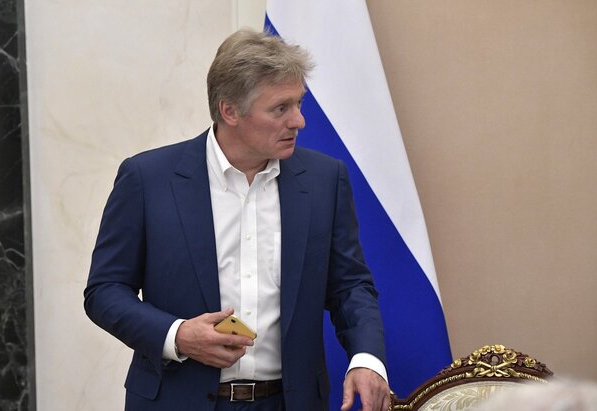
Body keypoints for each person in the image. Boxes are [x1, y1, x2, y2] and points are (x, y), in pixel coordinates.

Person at [84, 28, 390, 411]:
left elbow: (349, 286)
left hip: (288, 402)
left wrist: (366, 358)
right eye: (280, 108)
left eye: (299, 103)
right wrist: (177, 335)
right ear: (230, 111)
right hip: (178, 400)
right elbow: (105, 291)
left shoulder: (325, 179)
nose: (299, 121)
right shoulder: (148, 179)